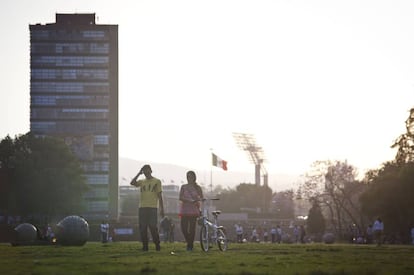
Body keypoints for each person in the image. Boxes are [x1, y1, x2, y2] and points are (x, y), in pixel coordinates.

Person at [130, 164, 164, 251]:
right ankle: (145, 246)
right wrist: (138, 173)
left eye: (147, 171)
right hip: (142, 207)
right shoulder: (142, 182)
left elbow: (160, 196)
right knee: (143, 228)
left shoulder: (157, 181)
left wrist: (162, 208)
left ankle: (157, 245)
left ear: (151, 171)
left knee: (153, 227)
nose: (146, 173)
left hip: (152, 207)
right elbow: (132, 183)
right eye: (144, 171)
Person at [179, 170, 203, 251]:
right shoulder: (183, 187)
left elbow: (201, 197)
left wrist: (199, 200)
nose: (189, 178)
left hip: (194, 210)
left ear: (194, 177)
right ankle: (189, 241)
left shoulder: (198, 187)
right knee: (183, 228)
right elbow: (180, 197)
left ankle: (190, 245)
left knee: (192, 229)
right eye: (188, 176)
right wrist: (189, 200)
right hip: (185, 210)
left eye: (190, 176)